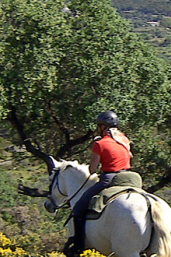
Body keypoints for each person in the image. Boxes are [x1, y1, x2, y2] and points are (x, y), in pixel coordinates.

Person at [64, 110, 132, 257]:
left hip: (110, 179)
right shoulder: (124, 140)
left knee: (78, 208)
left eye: (99, 126)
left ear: (102, 127)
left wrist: (96, 167)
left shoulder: (100, 143)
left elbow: (93, 170)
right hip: (131, 178)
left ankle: (78, 246)